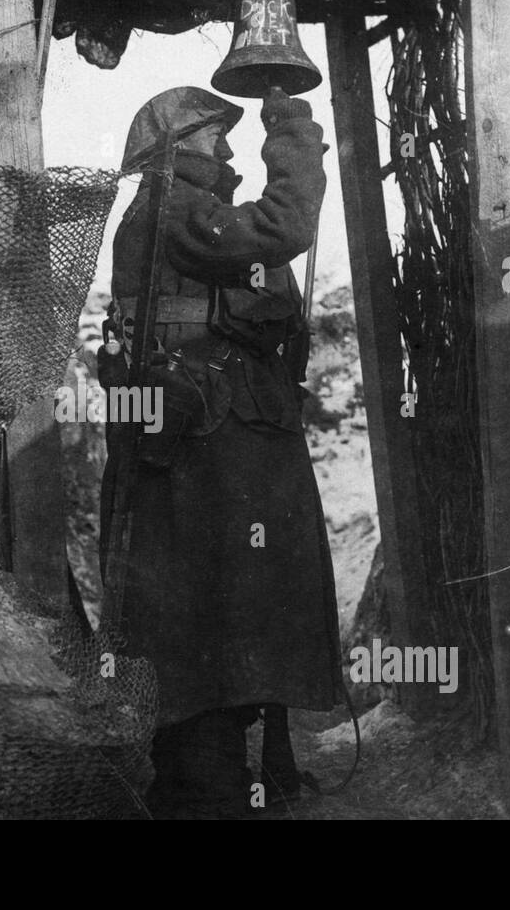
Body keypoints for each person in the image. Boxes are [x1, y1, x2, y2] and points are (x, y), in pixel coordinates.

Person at [98, 85, 342, 819]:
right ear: (175, 151)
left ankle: (235, 773)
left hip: (210, 436)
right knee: (225, 607)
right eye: (214, 137)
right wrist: (291, 128)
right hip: (212, 442)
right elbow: (287, 223)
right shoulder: (177, 212)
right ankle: (213, 787)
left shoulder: (174, 212)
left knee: (229, 606)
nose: (229, 150)